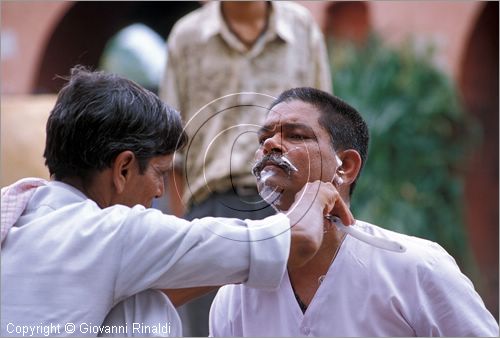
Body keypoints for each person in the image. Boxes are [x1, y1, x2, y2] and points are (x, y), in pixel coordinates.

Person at [0, 68, 352, 337]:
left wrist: (224, 267)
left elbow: (163, 282)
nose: (159, 192)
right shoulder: (118, 233)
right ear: (123, 168)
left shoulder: (21, 214)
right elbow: (301, 239)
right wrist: (317, 192)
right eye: (159, 173)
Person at [209, 87, 499, 336]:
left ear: (345, 166)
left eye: (296, 135)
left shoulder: (415, 268)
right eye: (263, 140)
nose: (270, 145)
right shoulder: (235, 296)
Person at [159, 2, 332, 334]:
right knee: (211, 328)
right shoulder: (187, 36)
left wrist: (315, 212)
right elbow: (172, 150)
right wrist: (184, 227)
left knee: (300, 325)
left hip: (291, 206)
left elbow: (324, 131)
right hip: (211, 209)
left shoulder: (302, 28)